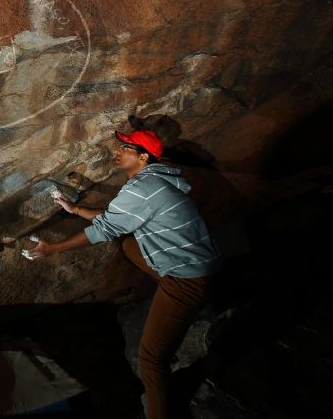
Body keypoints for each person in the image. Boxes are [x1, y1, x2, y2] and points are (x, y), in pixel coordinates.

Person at [26, 129, 222, 419]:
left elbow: (103, 230)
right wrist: (75, 209)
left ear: (143, 157)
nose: (117, 151)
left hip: (187, 278)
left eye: (126, 148)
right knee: (130, 245)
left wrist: (53, 248)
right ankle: (191, 302)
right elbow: (116, 216)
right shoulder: (153, 181)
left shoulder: (142, 188)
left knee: (151, 360)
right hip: (200, 264)